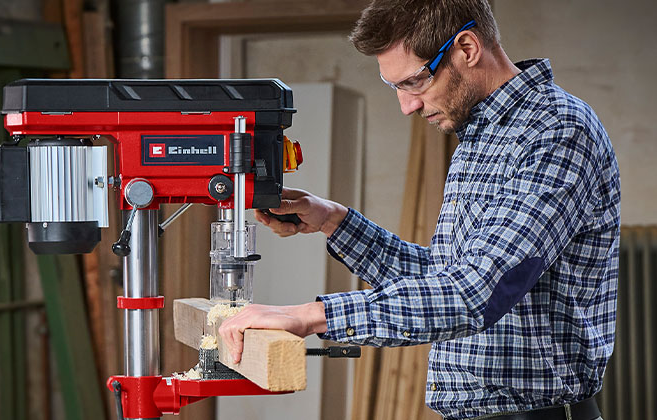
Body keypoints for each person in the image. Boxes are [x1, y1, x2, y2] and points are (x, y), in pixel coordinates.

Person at [218, 0, 620, 419]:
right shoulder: (480, 136)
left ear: (467, 48)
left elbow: (475, 291)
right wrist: (334, 222)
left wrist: (310, 316)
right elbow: (443, 278)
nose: (407, 106)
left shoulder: (555, 131)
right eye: (395, 86)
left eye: (414, 82)